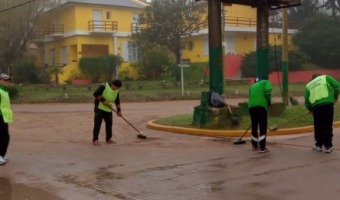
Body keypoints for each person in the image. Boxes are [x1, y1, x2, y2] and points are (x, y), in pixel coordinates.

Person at [304, 73, 339, 153]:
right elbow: (337, 86)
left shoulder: (308, 85)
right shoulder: (326, 77)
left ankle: (318, 145)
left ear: (312, 79)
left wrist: (310, 109)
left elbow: (307, 100)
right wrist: (335, 98)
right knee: (328, 125)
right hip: (328, 105)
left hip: (316, 107)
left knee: (318, 126)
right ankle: (328, 146)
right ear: (320, 76)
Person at [92, 79, 122, 146]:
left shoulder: (116, 90)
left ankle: (108, 139)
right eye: (116, 87)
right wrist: (103, 100)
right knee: (97, 124)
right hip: (99, 108)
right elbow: (95, 93)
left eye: (118, 88)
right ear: (112, 84)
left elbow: (117, 101)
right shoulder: (104, 86)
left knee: (109, 124)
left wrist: (119, 110)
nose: (116, 89)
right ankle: (95, 139)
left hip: (108, 109)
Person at [248, 77, 272, 153]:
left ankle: (254, 145)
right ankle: (262, 147)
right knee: (262, 126)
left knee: (254, 125)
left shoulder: (252, 86)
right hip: (261, 107)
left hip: (251, 107)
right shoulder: (266, 82)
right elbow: (268, 92)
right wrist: (268, 102)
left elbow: (250, 97)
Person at [0, 73, 13, 165]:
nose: (7, 82)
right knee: (2, 136)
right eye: (5, 80)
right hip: (0, 116)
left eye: (8, 80)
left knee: (5, 136)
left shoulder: (4, 90)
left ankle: (2, 155)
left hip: (4, 116)